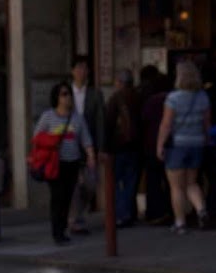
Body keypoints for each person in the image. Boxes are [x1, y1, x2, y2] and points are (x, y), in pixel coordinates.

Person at [34, 82, 95, 245]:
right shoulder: (48, 117)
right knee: (57, 197)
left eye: (68, 93)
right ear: (56, 97)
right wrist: (51, 142)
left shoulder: (77, 118)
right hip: (55, 164)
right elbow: (37, 137)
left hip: (72, 162)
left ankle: (63, 228)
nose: (67, 97)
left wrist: (90, 156)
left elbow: (86, 139)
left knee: (68, 197)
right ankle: (57, 232)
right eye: (63, 94)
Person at [156, 59, 211, 235]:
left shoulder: (173, 98)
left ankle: (180, 222)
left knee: (176, 187)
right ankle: (201, 209)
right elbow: (206, 124)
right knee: (192, 183)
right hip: (197, 143)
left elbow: (166, 124)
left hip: (177, 144)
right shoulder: (203, 97)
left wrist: (159, 145)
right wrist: (206, 140)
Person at [69, 54, 105, 236]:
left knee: (91, 184)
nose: (82, 72)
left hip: (89, 145)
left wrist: (100, 147)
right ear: (72, 71)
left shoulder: (94, 94)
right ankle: (75, 219)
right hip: (69, 146)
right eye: (78, 68)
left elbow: (100, 121)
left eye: (85, 68)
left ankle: (79, 214)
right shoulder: (65, 92)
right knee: (74, 185)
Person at [104, 69, 143, 227]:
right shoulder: (139, 97)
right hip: (136, 145)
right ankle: (130, 213)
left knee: (118, 182)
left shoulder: (116, 98)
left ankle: (123, 214)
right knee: (131, 182)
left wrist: (105, 146)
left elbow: (108, 123)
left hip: (119, 146)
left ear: (119, 82)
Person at [138, 66, 172, 225]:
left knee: (153, 180)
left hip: (151, 143)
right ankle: (169, 209)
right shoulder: (172, 99)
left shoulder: (150, 101)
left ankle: (154, 212)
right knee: (169, 179)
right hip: (170, 143)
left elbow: (143, 121)